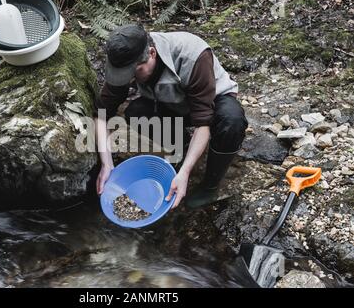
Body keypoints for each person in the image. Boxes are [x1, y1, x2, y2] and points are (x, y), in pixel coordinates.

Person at [94, 24, 248, 209]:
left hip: (213, 101)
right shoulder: (124, 59)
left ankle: (210, 186)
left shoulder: (192, 55)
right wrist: (107, 164)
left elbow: (203, 123)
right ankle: (180, 148)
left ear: (151, 53)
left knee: (232, 121)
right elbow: (102, 114)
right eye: (124, 76)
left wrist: (185, 172)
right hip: (170, 102)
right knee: (136, 112)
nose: (128, 80)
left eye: (134, 73)